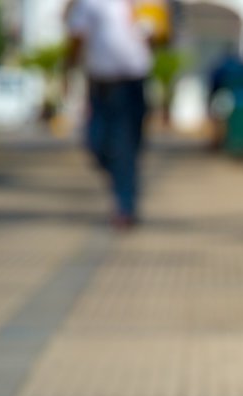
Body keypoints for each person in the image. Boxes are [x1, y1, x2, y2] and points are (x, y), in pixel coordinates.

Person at [65, 0, 166, 230]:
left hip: (132, 84)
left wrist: (146, 23)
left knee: (127, 147)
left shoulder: (144, 4)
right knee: (95, 143)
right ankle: (124, 184)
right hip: (100, 84)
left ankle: (125, 205)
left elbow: (158, 40)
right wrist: (68, 69)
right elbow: (77, 36)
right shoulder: (90, 3)